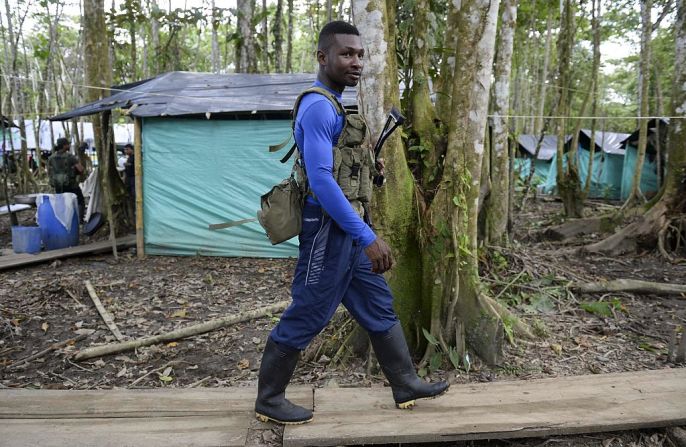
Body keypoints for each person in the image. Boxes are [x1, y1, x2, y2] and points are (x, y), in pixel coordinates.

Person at [254, 21, 449, 425]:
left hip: (346, 228)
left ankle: (405, 383)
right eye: (346, 54)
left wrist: (366, 169)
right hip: (328, 228)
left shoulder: (334, 103)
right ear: (323, 57)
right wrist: (368, 236)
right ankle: (269, 399)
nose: (356, 62)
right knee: (309, 310)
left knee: (377, 305)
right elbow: (322, 183)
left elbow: (337, 168)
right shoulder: (318, 106)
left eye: (360, 54)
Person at [48, 137, 85, 222]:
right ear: (64, 145)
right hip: (71, 185)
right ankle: (79, 220)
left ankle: (63, 220)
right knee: (80, 201)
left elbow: (50, 172)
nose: (69, 145)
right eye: (67, 144)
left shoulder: (51, 158)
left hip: (58, 185)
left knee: (61, 203)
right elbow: (81, 169)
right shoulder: (70, 157)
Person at [123, 143, 135, 210]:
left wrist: (127, 164)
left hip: (134, 178)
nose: (125, 151)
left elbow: (133, 165)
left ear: (131, 149)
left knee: (134, 193)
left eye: (127, 149)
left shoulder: (135, 157)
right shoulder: (129, 158)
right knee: (129, 194)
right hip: (128, 178)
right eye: (125, 150)